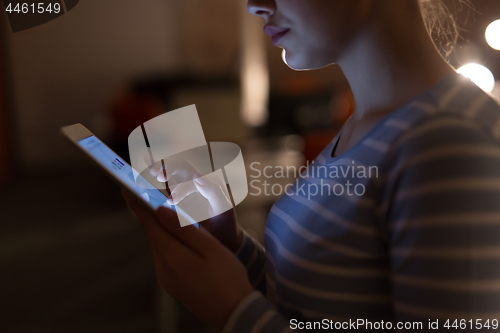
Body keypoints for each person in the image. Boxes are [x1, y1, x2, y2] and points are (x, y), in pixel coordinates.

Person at [122, 0, 500, 332]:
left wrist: (234, 311)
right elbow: (316, 308)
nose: (255, 4)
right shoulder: (369, 125)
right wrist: (229, 244)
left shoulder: (450, 142)